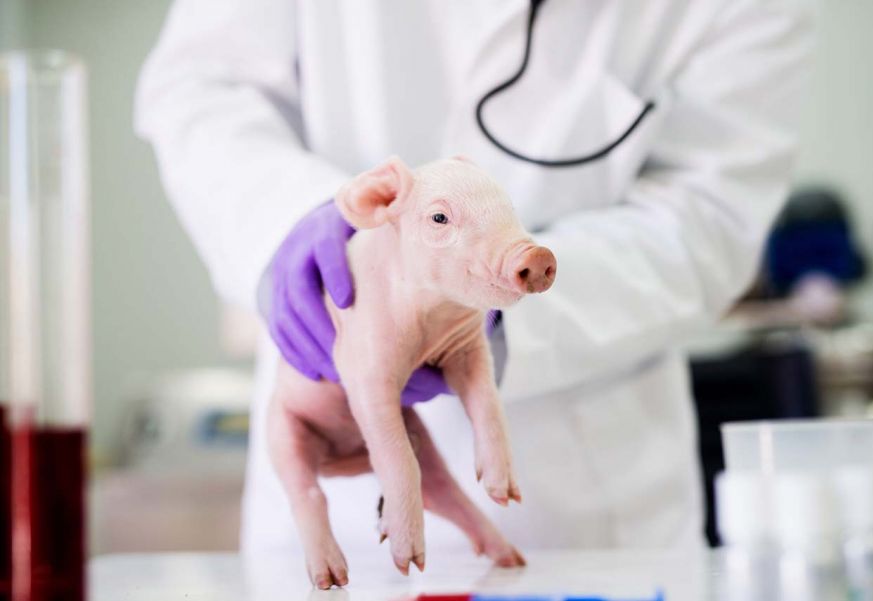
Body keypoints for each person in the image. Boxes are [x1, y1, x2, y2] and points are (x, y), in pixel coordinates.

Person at [135, 0, 812, 557]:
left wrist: (480, 301)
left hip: (591, 516)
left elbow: (705, 223)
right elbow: (201, 91)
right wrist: (305, 230)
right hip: (336, 492)